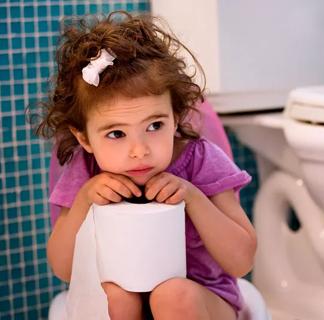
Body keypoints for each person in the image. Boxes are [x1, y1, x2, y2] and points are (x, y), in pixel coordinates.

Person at [35, 11, 257, 320]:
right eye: (116, 133)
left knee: (173, 295)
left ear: (176, 116)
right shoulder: (85, 170)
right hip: (127, 299)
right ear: (84, 138)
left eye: (154, 126)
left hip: (201, 300)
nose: (139, 150)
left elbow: (242, 261)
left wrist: (193, 197)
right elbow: (63, 269)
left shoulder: (201, 160)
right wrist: (85, 198)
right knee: (115, 298)